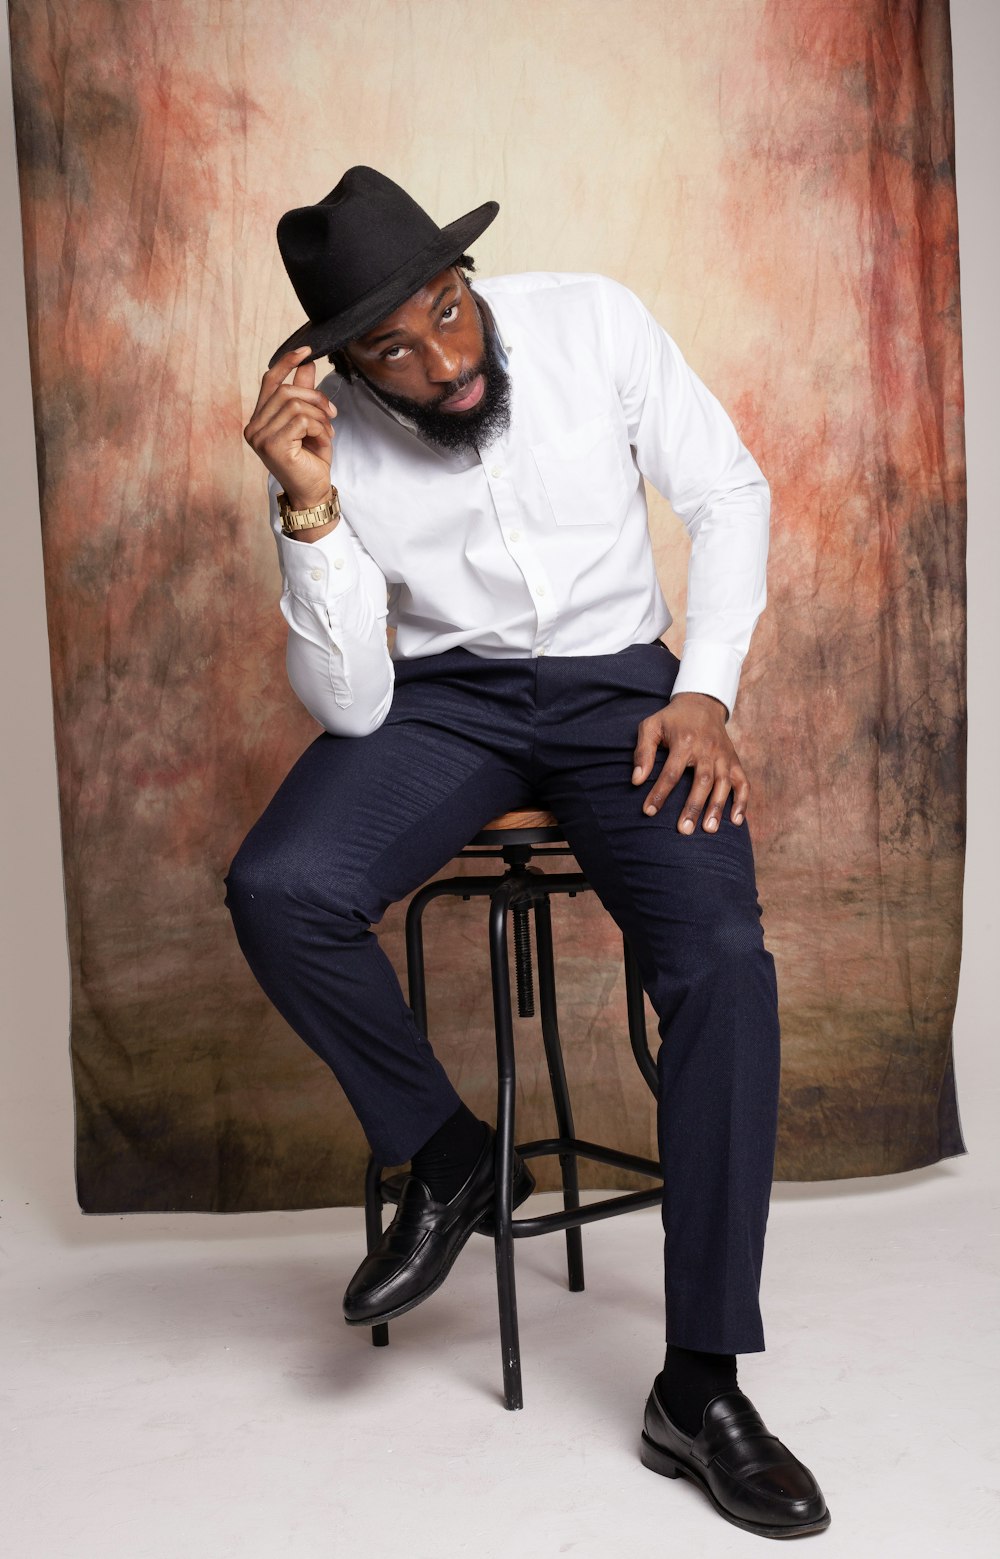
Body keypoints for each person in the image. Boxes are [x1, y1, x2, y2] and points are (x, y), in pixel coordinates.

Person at [229, 166, 830, 1539]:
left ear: (469, 281)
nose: (445, 362)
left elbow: (728, 493)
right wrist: (310, 505)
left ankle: (701, 1386)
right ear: (340, 366)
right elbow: (354, 707)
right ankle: (448, 1159)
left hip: (629, 687)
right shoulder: (331, 445)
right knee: (280, 887)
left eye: (451, 313)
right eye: (397, 348)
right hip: (448, 701)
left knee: (726, 965)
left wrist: (707, 688)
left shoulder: (593, 324)